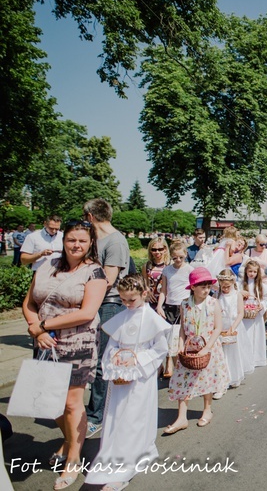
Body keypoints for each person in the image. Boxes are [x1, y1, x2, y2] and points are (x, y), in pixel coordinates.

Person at [22, 219, 108, 490]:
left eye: (82, 240)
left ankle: (73, 459)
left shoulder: (95, 272)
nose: (76, 245)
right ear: (63, 240)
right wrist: (37, 331)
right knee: (49, 403)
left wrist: (42, 326)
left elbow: (86, 313)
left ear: (91, 242)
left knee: (71, 404)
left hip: (77, 344)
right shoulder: (47, 266)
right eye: (72, 239)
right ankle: (72, 439)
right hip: (45, 343)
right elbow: (30, 303)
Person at [83, 275, 171, 491]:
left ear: (143, 294)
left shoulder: (152, 319)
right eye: (123, 300)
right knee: (116, 417)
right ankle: (114, 454)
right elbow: (112, 345)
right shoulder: (122, 317)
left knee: (134, 418)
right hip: (120, 375)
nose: (127, 304)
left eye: (131, 300)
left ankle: (125, 468)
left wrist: (137, 359)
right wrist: (114, 359)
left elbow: (160, 349)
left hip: (141, 376)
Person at [83, 198, 130, 439]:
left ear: (90, 216)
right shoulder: (95, 240)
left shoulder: (115, 241)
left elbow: (108, 280)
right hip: (92, 303)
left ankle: (95, 416)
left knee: (103, 361)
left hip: (108, 305)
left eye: (85, 218)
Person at [165, 267, 229, 434]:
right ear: (193, 287)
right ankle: (181, 417)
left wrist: (207, 348)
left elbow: (218, 328)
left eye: (208, 287)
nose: (206, 290)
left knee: (207, 379)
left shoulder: (213, 303)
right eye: (202, 287)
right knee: (182, 380)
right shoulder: (185, 304)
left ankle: (207, 409)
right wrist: (180, 344)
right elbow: (182, 329)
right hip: (190, 348)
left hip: (208, 348)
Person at [156, 242, 194, 378]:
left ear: (185, 255)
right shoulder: (167, 270)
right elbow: (164, 290)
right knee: (170, 338)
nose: (178, 260)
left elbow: (192, 290)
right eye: (175, 258)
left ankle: (183, 367)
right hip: (170, 306)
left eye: (181, 257)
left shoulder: (190, 269)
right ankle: (175, 368)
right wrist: (160, 306)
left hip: (183, 305)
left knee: (181, 338)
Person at [214, 269, 245, 399]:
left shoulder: (237, 295)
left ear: (233, 283)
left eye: (228, 286)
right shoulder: (217, 295)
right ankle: (222, 381)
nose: (226, 289)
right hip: (221, 327)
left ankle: (234, 375)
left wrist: (233, 327)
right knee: (222, 355)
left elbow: (240, 313)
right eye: (223, 287)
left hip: (233, 326)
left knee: (233, 353)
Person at [241, 260, 267, 371]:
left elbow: (265, 300)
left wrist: (261, 305)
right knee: (247, 336)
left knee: (256, 335)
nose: (252, 274)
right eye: (250, 271)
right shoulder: (241, 285)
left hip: (256, 314)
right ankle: (246, 359)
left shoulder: (261, 286)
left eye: (254, 271)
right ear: (246, 272)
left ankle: (256, 358)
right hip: (245, 315)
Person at [142, 237, 170, 309]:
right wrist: (148, 291)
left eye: (160, 249)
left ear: (165, 249)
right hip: (151, 300)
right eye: (154, 250)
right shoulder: (147, 265)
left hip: (167, 301)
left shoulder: (170, 265)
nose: (157, 252)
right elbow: (145, 283)